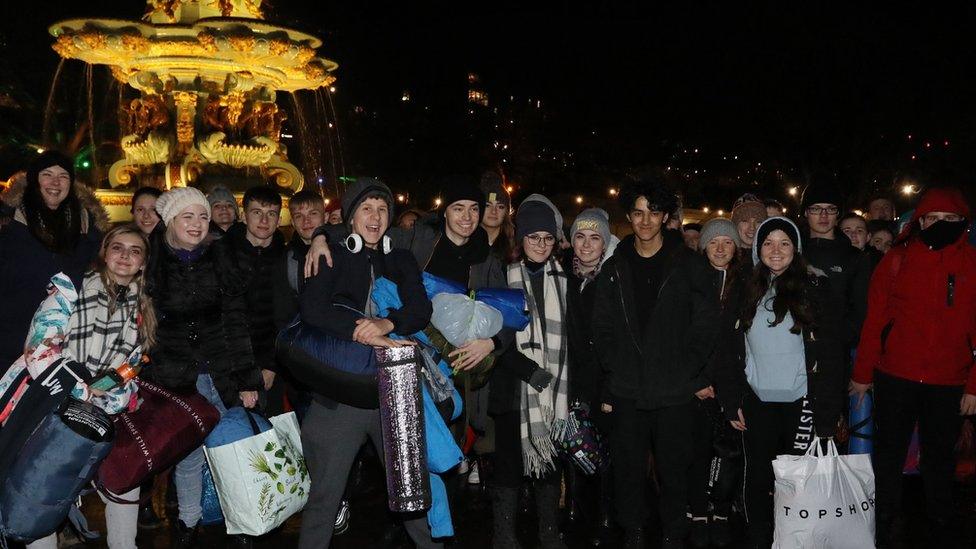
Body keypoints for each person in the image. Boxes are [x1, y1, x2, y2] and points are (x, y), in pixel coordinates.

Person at [297, 178, 439, 549]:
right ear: (350, 216)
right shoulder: (330, 252)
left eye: (382, 209)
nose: (375, 217)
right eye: (366, 208)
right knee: (324, 499)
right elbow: (313, 310)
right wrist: (362, 331)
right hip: (339, 394)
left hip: (394, 391)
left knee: (413, 493)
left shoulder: (400, 258)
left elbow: (420, 309)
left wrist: (387, 324)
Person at [591, 178, 719, 549]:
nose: (645, 221)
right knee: (628, 470)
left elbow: (707, 320)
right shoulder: (615, 266)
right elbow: (601, 325)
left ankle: (673, 533)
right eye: (638, 212)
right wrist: (616, 367)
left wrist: (688, 367)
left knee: (674, 470)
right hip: (629, 388)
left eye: (654, 212)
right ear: (629, 216)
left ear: (665, 217)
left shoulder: (689, 264)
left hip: (675, 389)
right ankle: (632, 532)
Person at [851, 188, 976, 548]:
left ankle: (941, 522)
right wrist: (862, 375)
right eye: (932, 219)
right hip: (896, 376)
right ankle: (886, 519)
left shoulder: (972, 263)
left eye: (949, 220)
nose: (940, 225)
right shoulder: (896, 260)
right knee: (889, 453)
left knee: (939, 458)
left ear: (962, 222)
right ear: (919, 222)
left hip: (949, 381)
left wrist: (973, 386)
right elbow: (875, 321)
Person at [712, 217, 845, 548]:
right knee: (758, 477)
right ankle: (760, 537)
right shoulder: (744, 289)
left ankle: (796, 539)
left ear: (796, 249)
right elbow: (727, 350)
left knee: (797, 480)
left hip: (802, 402)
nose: (776, 250)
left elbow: (832, 355)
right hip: (757, 402)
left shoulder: (816, 288)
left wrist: (826, 414)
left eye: (784, 243)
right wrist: (731, 400)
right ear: (758, 249)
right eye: (768, 243)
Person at [142, 186, 259, 548]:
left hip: (222, 371)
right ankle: (187, 523)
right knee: (188, 455)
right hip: (177, 377)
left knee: (233, 450)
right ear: (170, 221)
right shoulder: (150, 262)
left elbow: (237, 323)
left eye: (203, 216)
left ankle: (243, 521)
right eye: (187, 216)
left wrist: (247, 378)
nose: (196, 224)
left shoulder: (221, 257)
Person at [26, 225, 156, 549]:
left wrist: (105, 393)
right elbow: (39, 347)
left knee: (126, 484)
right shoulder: (71, 289)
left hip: (106, 412)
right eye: (118, 248)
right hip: (53, 406)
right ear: (105, 253)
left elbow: (131, 368)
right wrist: (82, 390)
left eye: (135, 250)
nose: (125, 256)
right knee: (44, 495)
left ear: (142, 263)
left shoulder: (143, 309)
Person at [488, 197, 569, 549]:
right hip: (510, 387)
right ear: (520, 239)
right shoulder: (501, 276)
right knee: (507, 466)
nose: (540, 244)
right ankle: (504, 534)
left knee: (550, 464)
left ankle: (548, 532)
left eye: (547, 238)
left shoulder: (565, 282)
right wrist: (529, 370)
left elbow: (575, 338)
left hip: (553, 391)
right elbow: (493, 335)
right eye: (533, 237)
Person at [0, 151, 108, 369]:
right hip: (9, 336)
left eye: (63, 176)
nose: (55, 182)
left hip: (62, 341)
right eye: (47, 174)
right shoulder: (7, 221)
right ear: (34, 180)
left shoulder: (87, 226)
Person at [563, 208, 617, 546]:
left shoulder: (613, 279)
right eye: (580, 237)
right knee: (574, 450)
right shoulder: (562, 278)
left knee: (605, 454)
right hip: (569, 381)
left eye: (595, 237)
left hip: (605, 383)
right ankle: (575, 516)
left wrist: (611, 387)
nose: (586, 244)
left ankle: (605, 519)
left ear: (604, 243)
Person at [689, 218, 743, 548]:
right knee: (696, 453)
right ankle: (696, 511)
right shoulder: (691, 281)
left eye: (727, 242)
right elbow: (678, 336)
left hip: (732, 384)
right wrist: (695, 380)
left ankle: (721, 512)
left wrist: (732, 390)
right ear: (703, 246)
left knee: (728, 455)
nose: (720, 248)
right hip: (696, 385)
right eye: (713, 242)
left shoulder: (746, 284)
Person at [214, 186, 285, 413]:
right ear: (244, 216)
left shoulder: (286, 257)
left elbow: (287, 316)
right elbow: (224, 318)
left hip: (274, 364)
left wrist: (271, 365)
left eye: (271, 213)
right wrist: (245, 377)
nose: (264, 220)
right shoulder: (221, 254)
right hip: (230, 366)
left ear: (279, 219)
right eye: (257, 212)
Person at [799, 180, 872, 346]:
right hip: (796, 347)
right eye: (816, 208)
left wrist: (841, 338)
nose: (823, 215)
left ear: (838, 213)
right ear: (805, 212)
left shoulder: (855, 258)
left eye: (830, 209)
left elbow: (860, 310)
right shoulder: (792, 252)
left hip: (836, 350)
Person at [480, 173, 516, 264]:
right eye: (488, 205)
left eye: (500, 207)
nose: (494, 211)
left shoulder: (515, 249)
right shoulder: (464, 244)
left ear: (506, 212)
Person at [730, 193, 767, 267]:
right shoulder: (722, 257)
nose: (752, 227)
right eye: (745, 221)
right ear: (735, 225)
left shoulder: (771, 259)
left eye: (758, 221)